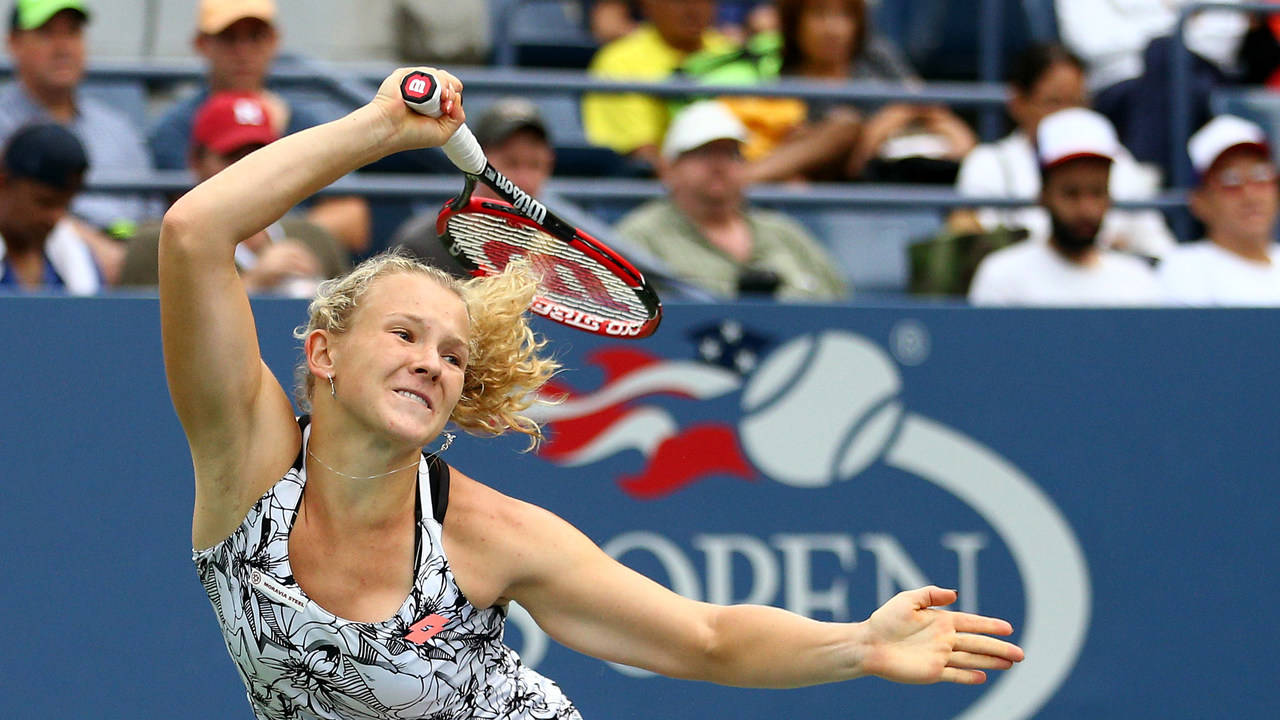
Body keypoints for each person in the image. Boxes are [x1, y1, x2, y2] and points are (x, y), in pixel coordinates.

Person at [159, 66, 1024, 718]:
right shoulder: (248, 468)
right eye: (405, 334)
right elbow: (196, 232)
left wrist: (860, 645)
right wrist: (379, 126)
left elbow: (705, 638)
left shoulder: (487, 535)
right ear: (322, 355)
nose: (432, 361)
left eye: (454, 355)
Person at [148, 0, 371, 254]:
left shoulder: (305, 121)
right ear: (202, 43)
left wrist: (275, 243)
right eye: (228, 38)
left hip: (299, 271)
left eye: (256, 37)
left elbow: (353, 221)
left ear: (273, 40)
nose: (243, 51)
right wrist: (278, 241)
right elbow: (187, 223)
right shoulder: (175, 129)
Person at [952, 43, 1176, 260]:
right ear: (1018, 103)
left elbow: (1157, 248)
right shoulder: (988, 163)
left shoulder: (1119, 159)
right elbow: (987, 249)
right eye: (1054, 102)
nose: (1067, 116)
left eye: (1077, 103)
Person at [120, 91, 348, 294]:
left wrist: (322, 295)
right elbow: (140, 330)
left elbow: (352, 327)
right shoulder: (159, 244)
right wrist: (253, 283)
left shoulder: (315, 238)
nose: (248, 167)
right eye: (232, 156)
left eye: (260, 154)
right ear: (195, 161)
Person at [615, 100, 847, 299]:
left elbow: (842, 302)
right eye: (703, 153)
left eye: (731, 153)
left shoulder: (784, 233)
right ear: (670, 168)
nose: (719, 165)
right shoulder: (639, 238)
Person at [0, 0, 159, 282]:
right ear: (13, 42)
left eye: (72, 32)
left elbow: (152, 213)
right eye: (46, 33)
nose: (63, 47)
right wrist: (92, 249)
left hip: (133, 263)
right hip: (43, 268)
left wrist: (133, 255)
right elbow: (21, 216)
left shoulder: (117, 127)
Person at [968, 108, 1161, 306]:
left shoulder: (1137, 281)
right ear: (1043, 194)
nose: (1086, 209)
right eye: (1071, 193)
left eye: (1097, 192)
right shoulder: (1002, 276)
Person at [1054, 0, 1247, 176]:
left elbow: (1226, 34)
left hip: (1199, 76)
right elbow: (1091, 42)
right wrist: (1181, 22)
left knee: (1165, 57)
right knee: (1161, 53)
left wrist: (1145, 30)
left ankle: (1149, 180)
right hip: (1117, 85)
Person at [391, 97, 555, 277]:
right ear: (474, 163)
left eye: (535, 165)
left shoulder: (559, 251)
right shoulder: (423, 242)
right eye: (511, 163)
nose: (524, 180)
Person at [581, 0, 736, 168]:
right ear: (649, 5)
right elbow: (641, 152)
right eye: (679, 2)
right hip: (657, 189)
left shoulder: (735, 54)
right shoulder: (619, 62)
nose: (693, 9)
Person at [1158, 115, 1280, 305]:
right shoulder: (1186, 269)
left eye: (1260, 176)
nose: (1250, 195)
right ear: (1200, 201)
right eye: (1231, 180)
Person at [0, 122, 99, 293]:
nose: (55, 217)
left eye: (65, 204)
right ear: (3, 184)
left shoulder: (76, 258)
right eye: (44, 202)